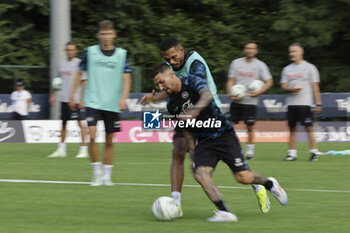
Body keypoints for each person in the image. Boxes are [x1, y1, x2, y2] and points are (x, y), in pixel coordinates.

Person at [141, 37, 269, 214]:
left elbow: (195, 91)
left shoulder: (195, 63)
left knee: (232, 165)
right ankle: (176, 205)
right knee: (178, 149)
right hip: (187, 112)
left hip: (207, 112)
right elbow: (173, 88)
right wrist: (155, 98)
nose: (170, 62)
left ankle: (255, 184)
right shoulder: (170, 69)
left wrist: (189, 112)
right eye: (166, 59)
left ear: (181, 51)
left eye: (173, 57)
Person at [153, 62, 288, 222]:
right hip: (204, 142)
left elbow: (207, 95)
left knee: (243, 177)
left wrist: (194, 111)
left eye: (162, 82)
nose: (161, 87)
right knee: (200, 174)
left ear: (171, 74)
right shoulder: (171, 104)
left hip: (224, 135)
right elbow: (186, 129)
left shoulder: (192, 81)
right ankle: (225, 212)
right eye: (158, 84)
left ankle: (269, 184)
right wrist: (192, 155)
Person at [69, 20, 132, 186]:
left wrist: (124, 98)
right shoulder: (89, 52)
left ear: (114, 35)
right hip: (93, 101)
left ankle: (107, 176)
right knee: (91, 135)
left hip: (112, 103)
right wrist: (73, 95)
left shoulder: (122, 54)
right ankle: (96, 173)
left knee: (110, 140)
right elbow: (78, 74)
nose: (105, 37)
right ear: (98, 35)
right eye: (102, 34)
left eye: (108, 33)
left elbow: (127, 78)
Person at [226, 41, 273, 160]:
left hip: (250, 102)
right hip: (237, 100)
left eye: (252, 49)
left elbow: (269, 82)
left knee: (250, 127)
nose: (249, 50)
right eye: (247, 48)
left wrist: (258, 92)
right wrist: (230, 93)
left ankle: (250, 153)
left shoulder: (260, 65)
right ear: (244, 50)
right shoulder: (236, 63)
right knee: (230, 127)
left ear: (256, 51)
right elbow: (231, 80)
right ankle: (230, 149)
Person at [281, 43, 322, 162]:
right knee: (292, 129)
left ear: (301, 52)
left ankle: (314, 153)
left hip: (305, 103)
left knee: (309, 128)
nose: (291, 54)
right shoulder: (287, 69)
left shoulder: (310, 67)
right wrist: (290, 89)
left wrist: (318, 103)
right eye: (290, 52)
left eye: (294, 51)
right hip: (291, 104)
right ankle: (292, 154)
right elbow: (283, 85)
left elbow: (315, 87)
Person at [48, 41, 88, 158]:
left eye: (72, 49)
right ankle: (61, 150)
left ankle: (83, 149)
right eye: (68, 50)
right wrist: (52, 95)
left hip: (75, 100)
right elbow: (57, 81)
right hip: (63, 99)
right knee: (63, 125)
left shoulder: (79, 64)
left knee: (79, 123)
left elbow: (84, 81)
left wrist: (82, 99)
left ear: (75, 51)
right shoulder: (61, 64)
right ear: (65, 51)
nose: (69, 51)